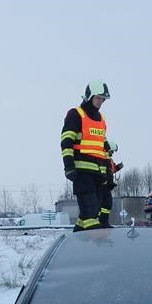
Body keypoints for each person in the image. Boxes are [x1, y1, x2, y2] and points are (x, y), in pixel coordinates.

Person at [60, 80, 112, 232]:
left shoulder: (101, 119)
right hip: (82, 172)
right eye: (98, 98)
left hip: (98, 173)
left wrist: (108, 170)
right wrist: (68, 166)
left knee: (87, 217)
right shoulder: (76, 114)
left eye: (103, 99)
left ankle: (77, 243)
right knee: (91, 217)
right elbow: (66, 141)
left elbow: (102, 144)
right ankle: (96, 249)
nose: (101, 102)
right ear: (89, 96)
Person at [99, 139, 124, 228]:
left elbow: (111, 171)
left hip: (106, 186)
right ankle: (102, 223)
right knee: (104, 204)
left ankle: (103, 222)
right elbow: (105, 171)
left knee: (107, 204)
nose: (112, 153)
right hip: (102, 186)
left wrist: (118, 167)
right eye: (111, 151)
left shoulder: (109, 160)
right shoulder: (103, 159)